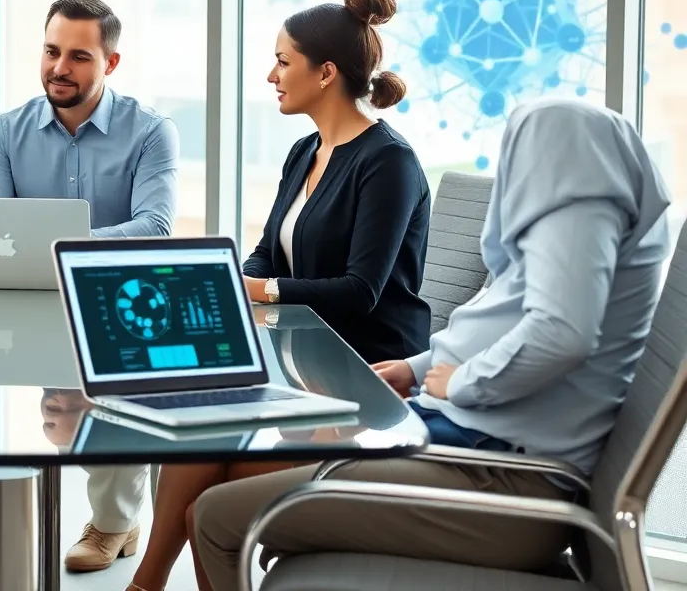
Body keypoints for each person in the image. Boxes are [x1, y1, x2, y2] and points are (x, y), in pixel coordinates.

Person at [190, 98, 671, 591]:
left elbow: (561, 334)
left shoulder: (563, 142)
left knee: (216, 517)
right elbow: (510, 315)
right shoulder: (580, 177)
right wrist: (419, 368)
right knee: (240, 467)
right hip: (476, 448)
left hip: (499, 482)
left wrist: (458, 382)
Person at [128, 0, 430, 591]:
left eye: (282, 61)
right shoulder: (306, 150)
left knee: (216, 483)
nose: (271, 74)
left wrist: (259, 293)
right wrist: (223, 283)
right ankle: (148, 582)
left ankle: (147, 584)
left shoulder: (388, 161)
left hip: (363, 368)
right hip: (300, 359)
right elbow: (269, 253)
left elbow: (360, 290)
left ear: (324, 73)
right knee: (201, 423)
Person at [0, 0, 179, 573]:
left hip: (122, 299)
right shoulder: (6, 132)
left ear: (110, 63)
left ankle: (114, 522)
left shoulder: (150, 131)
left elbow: (155, 227)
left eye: (79, 56)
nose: (60, 67)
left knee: (113, 371)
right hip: (30, 296)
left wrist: (60, 244)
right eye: (51, 51)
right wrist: (53, 249)